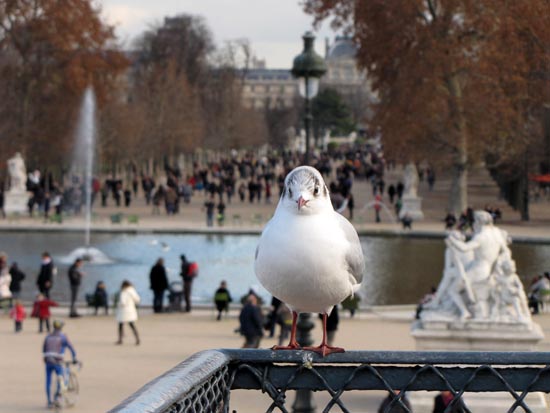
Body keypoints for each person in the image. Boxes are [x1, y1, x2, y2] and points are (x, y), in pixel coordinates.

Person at [43, 320, 77, 408]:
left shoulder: (48, 336)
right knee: (62, 377)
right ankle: (58, 397)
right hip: (58, 361)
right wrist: (74, 358)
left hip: (48, 361)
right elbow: (71, 348)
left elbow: (44, 350)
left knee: (48, 381)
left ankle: (49, 401)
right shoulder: (63, 337)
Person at [115, 280, 141, 345]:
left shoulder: (124, 292)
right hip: (131, 310)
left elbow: (123, 302)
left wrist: (118, 304)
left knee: (120, 325)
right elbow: (137, 300)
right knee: (132, 325)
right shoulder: (133, 291)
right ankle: (137, 339)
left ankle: (120, 339)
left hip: (124, 311)